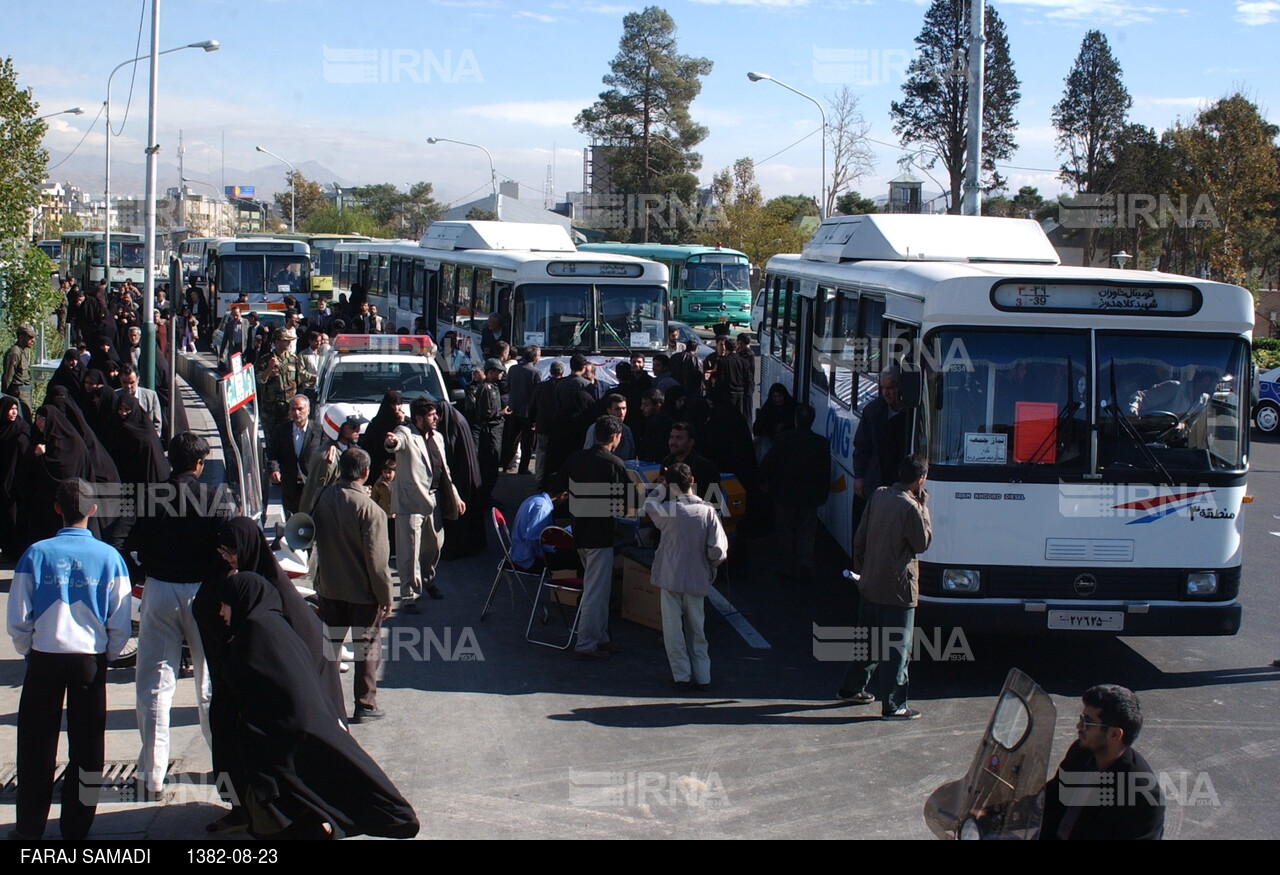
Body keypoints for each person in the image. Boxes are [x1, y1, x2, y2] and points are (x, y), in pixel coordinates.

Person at [215, 573, 419, 839]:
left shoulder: (255, 634)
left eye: (224, 604)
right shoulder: (275, 626)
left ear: (242, 600)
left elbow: (248, 692)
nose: (221, 612)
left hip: (279, 748)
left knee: (277, 819)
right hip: (297, 737)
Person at [6, 478, 131, 841]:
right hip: (89, 661)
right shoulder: (110, 557)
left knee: (35, 746)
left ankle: (29, 827)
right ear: (93, 511)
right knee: (88, 747)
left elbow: (17, 616)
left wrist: (28, 648)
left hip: (45, 657)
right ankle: (77, 828)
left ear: (56, 508)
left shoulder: (36, 553)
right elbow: (120, 620)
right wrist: (107, 653)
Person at [132, 432, 232, 798]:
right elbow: (228, 548)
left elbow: (128, 543)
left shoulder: (149, 498)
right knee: (209, 683)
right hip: (202, 594)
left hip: (158, 590)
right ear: (199, 463)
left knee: (155, 685)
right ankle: (224, 764)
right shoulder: (214, 498)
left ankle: (152, 774)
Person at [838, 454, 931, 720]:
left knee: (867, 641)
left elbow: (861, 535)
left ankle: (851, 688)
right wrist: (924, 508)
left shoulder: (879, 495)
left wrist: (862, 571)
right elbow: (922, 543)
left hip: (870, 582)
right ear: (920, 479)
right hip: (898, 589)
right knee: (897, 648)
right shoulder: (911, 507)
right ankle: (894, 705)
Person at [311, 448, 395, 723]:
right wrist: (386, 597)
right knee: (366, 649)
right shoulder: (372, 510)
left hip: (329, 589)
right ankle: (365, 705)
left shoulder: (322, 497)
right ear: (365, 473)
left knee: (330, 649)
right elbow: (378, 562)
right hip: (362, 594)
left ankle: (325, 703)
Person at [1040, 684, 1165, 840]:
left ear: (1114, 734)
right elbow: (1052, 796)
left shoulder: (1144, 796)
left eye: (1088, 722)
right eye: (1081, 718)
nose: (1079, 726)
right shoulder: (1081, 753)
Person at [645, 462, 728, 692]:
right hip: (697, 576)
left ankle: (681, 675)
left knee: (673, 630)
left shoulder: (668, 511)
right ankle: (703, 676)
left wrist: (660, 487)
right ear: (692, 481)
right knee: (697, 629)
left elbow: (649, 503)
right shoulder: (708, 512)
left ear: (671, 486)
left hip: (670, 575)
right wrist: (709, 566)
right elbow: (719, 550)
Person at [385, 398, 465, 613]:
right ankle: (409, 594)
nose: (436, 418)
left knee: (435, 545)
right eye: (431, 415)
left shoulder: (437, 437)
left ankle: (428, 580)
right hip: (410, 502)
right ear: (419, 418)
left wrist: (455, 496)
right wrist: (392, 442)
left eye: (435, 414)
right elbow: (396, 442)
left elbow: (444, 470)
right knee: (409, 552)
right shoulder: (406, 433)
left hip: (434, 499)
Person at [560, 415, 627, 661]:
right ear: (614, 437)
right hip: (600, 536)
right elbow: (628, 502)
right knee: (595, 593)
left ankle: (600, 636)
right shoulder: (615, 464)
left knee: (597, 589)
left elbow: (557, 485)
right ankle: (587, 642)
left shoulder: (577, 458)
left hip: (579, 531)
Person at [761, 404, 831, 579]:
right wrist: (822, 494)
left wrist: (766, 483)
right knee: (807, 530)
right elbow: (825, 472)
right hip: (810, 496)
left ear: (795, 420)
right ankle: (804, 561)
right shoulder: (821, 443)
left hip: (785, 494)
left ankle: (788, 565)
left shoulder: (783, 439)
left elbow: (768, 463)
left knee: (786, 529)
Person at [852, 367, 909, 506]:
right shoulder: (873, 411)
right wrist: (859, 477)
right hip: (878, 477)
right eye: (883, 388)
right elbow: (861, 446)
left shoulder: (911, 413)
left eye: (890, 388)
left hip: (901, 479)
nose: (886, 393)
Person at [299, 407, 367, 515]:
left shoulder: (351, 449)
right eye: (353, 427)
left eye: (358, 426)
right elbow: (314, 493)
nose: (358, 430)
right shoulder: (326, 459)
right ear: (337, 428)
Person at [257, 327, 316, 437]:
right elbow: (260, 380)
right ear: (277, 342)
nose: (289, 343)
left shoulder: (293, 358)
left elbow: (301, 377)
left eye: (290, 340)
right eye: (286, 340)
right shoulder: (265, 359)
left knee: (288, 438)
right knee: (271, 439)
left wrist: (316, 378)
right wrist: (269, 368)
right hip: (271, 409)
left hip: (289, 408)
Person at [266, 394, 318, 518]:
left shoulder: (319, 431)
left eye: (300, 409)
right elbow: (273, 452)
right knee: (293, 521)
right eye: (293, 409)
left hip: (311, 486)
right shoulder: (281, 431)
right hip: (290, 485)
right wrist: (274, 469)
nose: (296, 412)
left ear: (308, 410)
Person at [508, 479, 571, 571]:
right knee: (572, 558)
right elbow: (532, 539)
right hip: (528, 558)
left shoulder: (536, 499)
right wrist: (553, 548)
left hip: (520, 550)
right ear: (563, 495)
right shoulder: (542, 508)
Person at [0, 395, 32, 558]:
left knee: (14, 515)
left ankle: (16, 550)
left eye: (14, 409)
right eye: (9, 409)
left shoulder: (22, 429)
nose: (13, 412)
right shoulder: (3, 428)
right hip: (2, 478)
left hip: (16, 482)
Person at [503, 345, 542, 474]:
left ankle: (506, 464)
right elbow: (537, 394)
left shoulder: (513, 369)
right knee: (527, 442)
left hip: (513, 409)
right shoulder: (535, 372)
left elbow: (508, 386)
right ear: (535, 357)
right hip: (528, 413)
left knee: (512, 439)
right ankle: (523, 467)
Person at [528, 360, 563, 489]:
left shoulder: (541, 386)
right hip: (558, 426)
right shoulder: (563, 386)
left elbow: (532, 406)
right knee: (556, 453)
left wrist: (531, 421)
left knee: (541, 453)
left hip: (542, 424)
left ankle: (539, 479)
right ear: (562, 372)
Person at [115, 363, 163, 436]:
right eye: (125, 382)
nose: (128, 386)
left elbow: (157, 425)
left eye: (132, 383)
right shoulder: (115, 396)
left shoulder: (150, 396)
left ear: (138, 380)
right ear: (120, 380)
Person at [3, 323, 36, 420]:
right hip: (18, 394)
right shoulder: (14, 352)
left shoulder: (22, 351)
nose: (33, 340)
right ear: (21, 336)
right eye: (30, 337)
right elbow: (7, 378)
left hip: (25, 393)